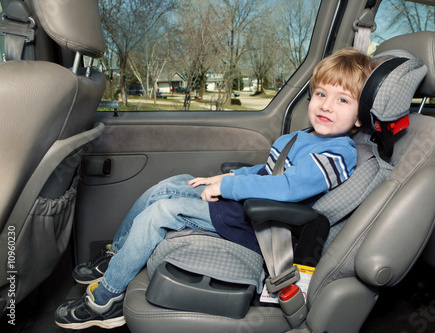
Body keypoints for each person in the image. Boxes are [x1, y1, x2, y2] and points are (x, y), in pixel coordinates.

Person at [54, 48, 373, 329]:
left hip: (263, 228)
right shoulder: (302, 137)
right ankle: (117, 255)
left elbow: (287, 188)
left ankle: (106, 300)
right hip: (247, 209)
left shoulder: (338, 152)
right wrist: (218, 181)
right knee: (171, 184)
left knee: (162, 212)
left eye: (342, 100)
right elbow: (265, 170)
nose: (326, 106)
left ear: (360, 117)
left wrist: (231, 186)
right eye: (321, 94)